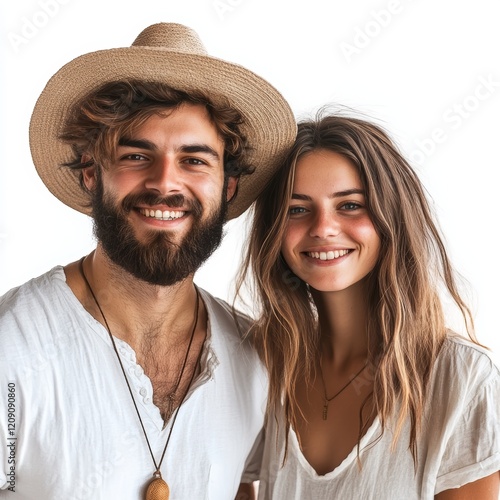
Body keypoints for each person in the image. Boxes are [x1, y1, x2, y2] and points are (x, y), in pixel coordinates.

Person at [0, 23, 296, 499]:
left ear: (229, 187)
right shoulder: (13, 346)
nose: (165, 183)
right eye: (138, 155)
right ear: (92, 175)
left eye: (194, 160)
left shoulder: (256, 358)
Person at [238, 110, 500, 499]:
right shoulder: (262, 363)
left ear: (390, 217)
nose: (323, 227)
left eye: (349, 205)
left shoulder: (460, 379)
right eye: (297, 209)